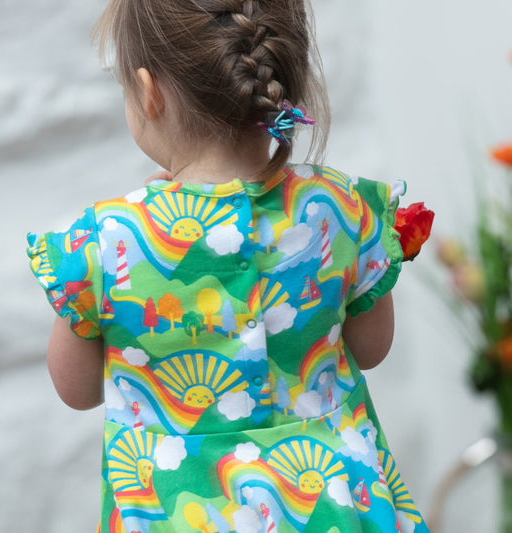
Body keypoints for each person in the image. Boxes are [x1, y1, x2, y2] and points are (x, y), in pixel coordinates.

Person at [27, 1, 431, 531]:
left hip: (172, 511)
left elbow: (75, 390)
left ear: (149, 93)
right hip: (335, 501)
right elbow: (372, 350)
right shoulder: (340, 208)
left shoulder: (103, 243)